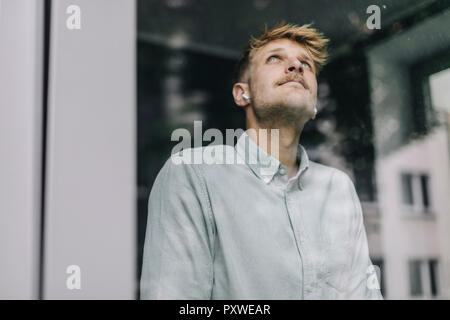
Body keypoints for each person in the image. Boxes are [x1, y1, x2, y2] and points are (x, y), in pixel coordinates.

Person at [140, 22, 383, 300]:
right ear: (242, 93)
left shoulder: (338, 187)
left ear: (315, 104)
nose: (296, 66)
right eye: (275, 58)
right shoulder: (193, 174)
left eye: (306, 64)